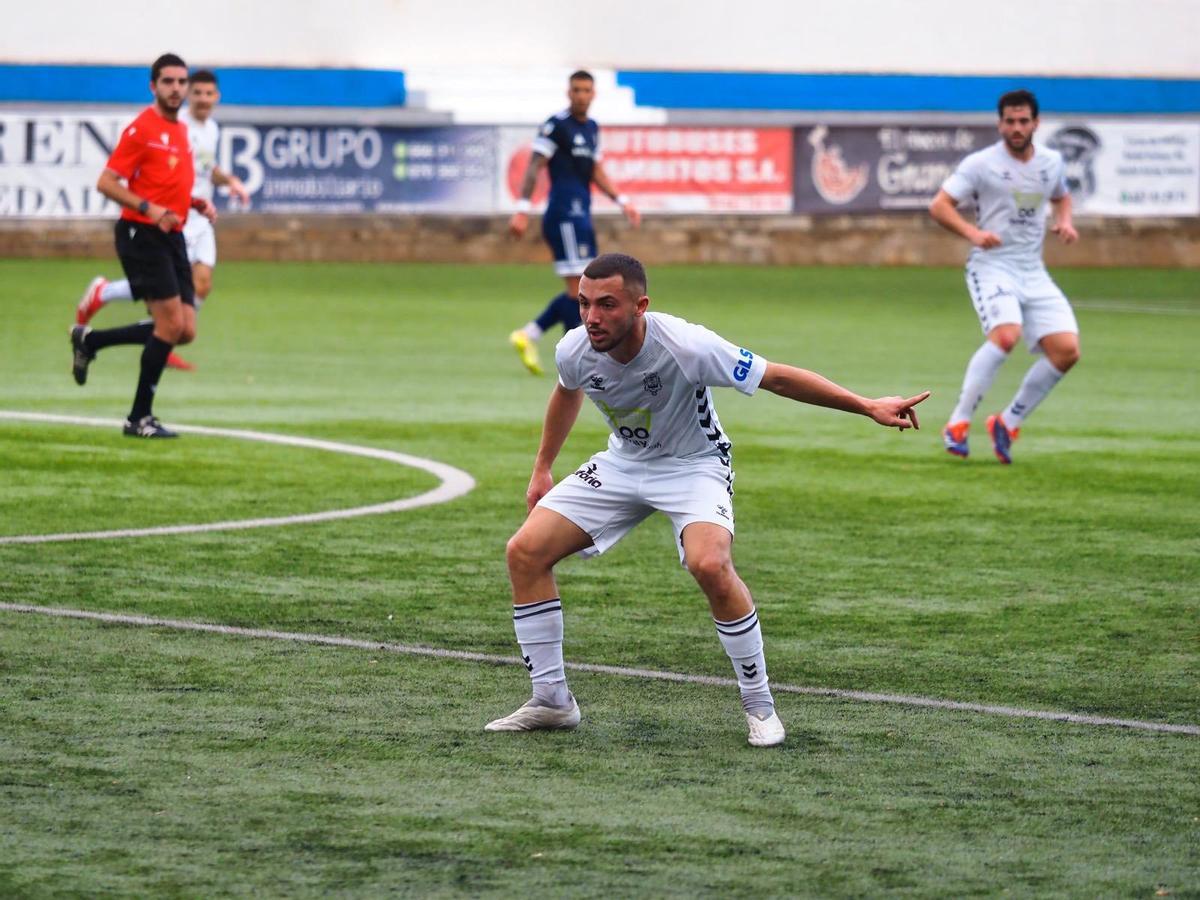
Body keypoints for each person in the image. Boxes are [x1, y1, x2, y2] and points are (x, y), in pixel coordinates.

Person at [487, 253, 929, 746]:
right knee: (524, 552)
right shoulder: (574, 348)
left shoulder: (688, 345)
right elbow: (568, 389)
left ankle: (760, 707)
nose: (592, 318)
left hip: (694, 465)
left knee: (710, 565)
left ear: (640, 305)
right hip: (625, 461)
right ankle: (551, 701)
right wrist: (543, 466)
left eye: (607, 305)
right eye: (584, 304)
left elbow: (775, 376)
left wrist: (866, 405)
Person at [69, 53, 216, 438]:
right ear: (154, 86)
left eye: (181, 82)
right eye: (168, 82)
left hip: (172, 233)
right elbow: (107, 182)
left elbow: (168, 186)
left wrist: (195, 203)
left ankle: (92, 340)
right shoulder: (142, 129)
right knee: (170, 324)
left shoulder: (181, 131)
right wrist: (150, 208)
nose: (176, 89)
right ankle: (138, 418)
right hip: (141, 234)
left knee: (184, 329)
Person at [929, 89, 1080, 464]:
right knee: (1006, 334)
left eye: (1023, 121)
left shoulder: (1051, 161)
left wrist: (1064, 221)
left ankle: (1007, 422)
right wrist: (973, 234)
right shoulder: (981, 164)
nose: (1016, 127)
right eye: (1009, 121)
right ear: (1000, 124)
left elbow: (1061, 195)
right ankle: (958, 422)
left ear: (1035, 123)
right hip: (992, 265)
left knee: (1066, 352)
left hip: (1033, 270)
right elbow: (939, 205)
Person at [76, 68, 249, 371]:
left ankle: (162, 335)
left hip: (195, 215)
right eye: (196, 92)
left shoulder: (211, 129)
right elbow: (111, 180)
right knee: (165, 300)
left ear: (217, 97)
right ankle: (112, 298)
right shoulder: (174, 125)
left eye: (209, 93)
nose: (202, 99)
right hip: (166, 219)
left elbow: (208, 168)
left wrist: (229, 181)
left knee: (201, 287)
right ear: (186, 95)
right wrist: (151, 208)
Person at [506, 70, 641, 376]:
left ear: (593, 94)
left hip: (581, 215)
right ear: (569, 93)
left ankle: (534, 336)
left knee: (583, 291)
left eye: (586, 90)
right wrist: (522, 209)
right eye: (576, 90)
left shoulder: (592, 128)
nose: (581, 95)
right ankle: (577, 359)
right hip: (563, 214)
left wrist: (622, 201)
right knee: (581, 290)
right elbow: (534, 166)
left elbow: (595, 170)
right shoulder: (557, 126)